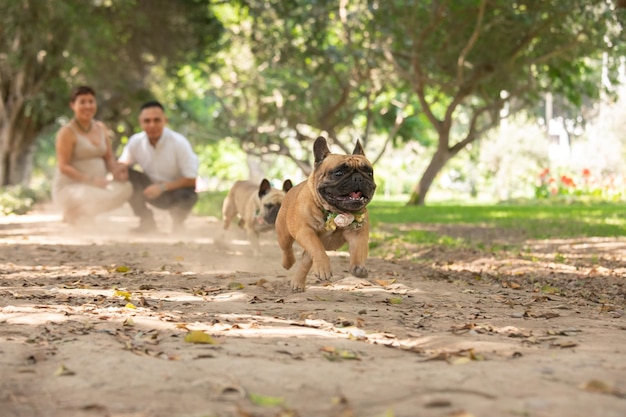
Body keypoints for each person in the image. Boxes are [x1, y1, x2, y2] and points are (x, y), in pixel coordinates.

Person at [52, 86, 132, 226]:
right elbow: (64, 167)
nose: (87, 106)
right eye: (82, 102)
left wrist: (116, 171)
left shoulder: (101, 128)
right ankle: (75, 212)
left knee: (126, 188)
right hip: (71, 189)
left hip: (96, 187)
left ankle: (80, 214)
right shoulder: (67, 132)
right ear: (73, 105)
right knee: (92, 195)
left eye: (91, 101)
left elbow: (108, 157)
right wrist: (90, 180)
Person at [118, 100, 199, 233]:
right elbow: (123, 163)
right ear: (141, 122)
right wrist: (120, 169)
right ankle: (146, 222)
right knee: (128, 175)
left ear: (165, 120)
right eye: (147, 121)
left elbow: (191, 179)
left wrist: (162, 187)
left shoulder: (179, 143)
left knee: (189, 194)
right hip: (148, 191)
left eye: (157, 120)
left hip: (175, 193)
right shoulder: (135, 142)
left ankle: (178, 224)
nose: (152, 125)